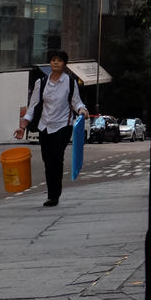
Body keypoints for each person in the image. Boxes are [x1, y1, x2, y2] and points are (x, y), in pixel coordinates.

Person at [14, 47, 88, 208]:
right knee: (48, 161)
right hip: (45, 127)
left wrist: (82, 110)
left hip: (63, 126)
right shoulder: (41, 83)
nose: (55, 63)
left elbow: (76, 102)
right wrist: (23, 126)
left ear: (64, 64)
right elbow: (32, 107)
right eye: (53, 60)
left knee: (56, 158)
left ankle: (54, 195)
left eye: (59, 60)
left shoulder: (70, 82)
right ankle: (51, 193)